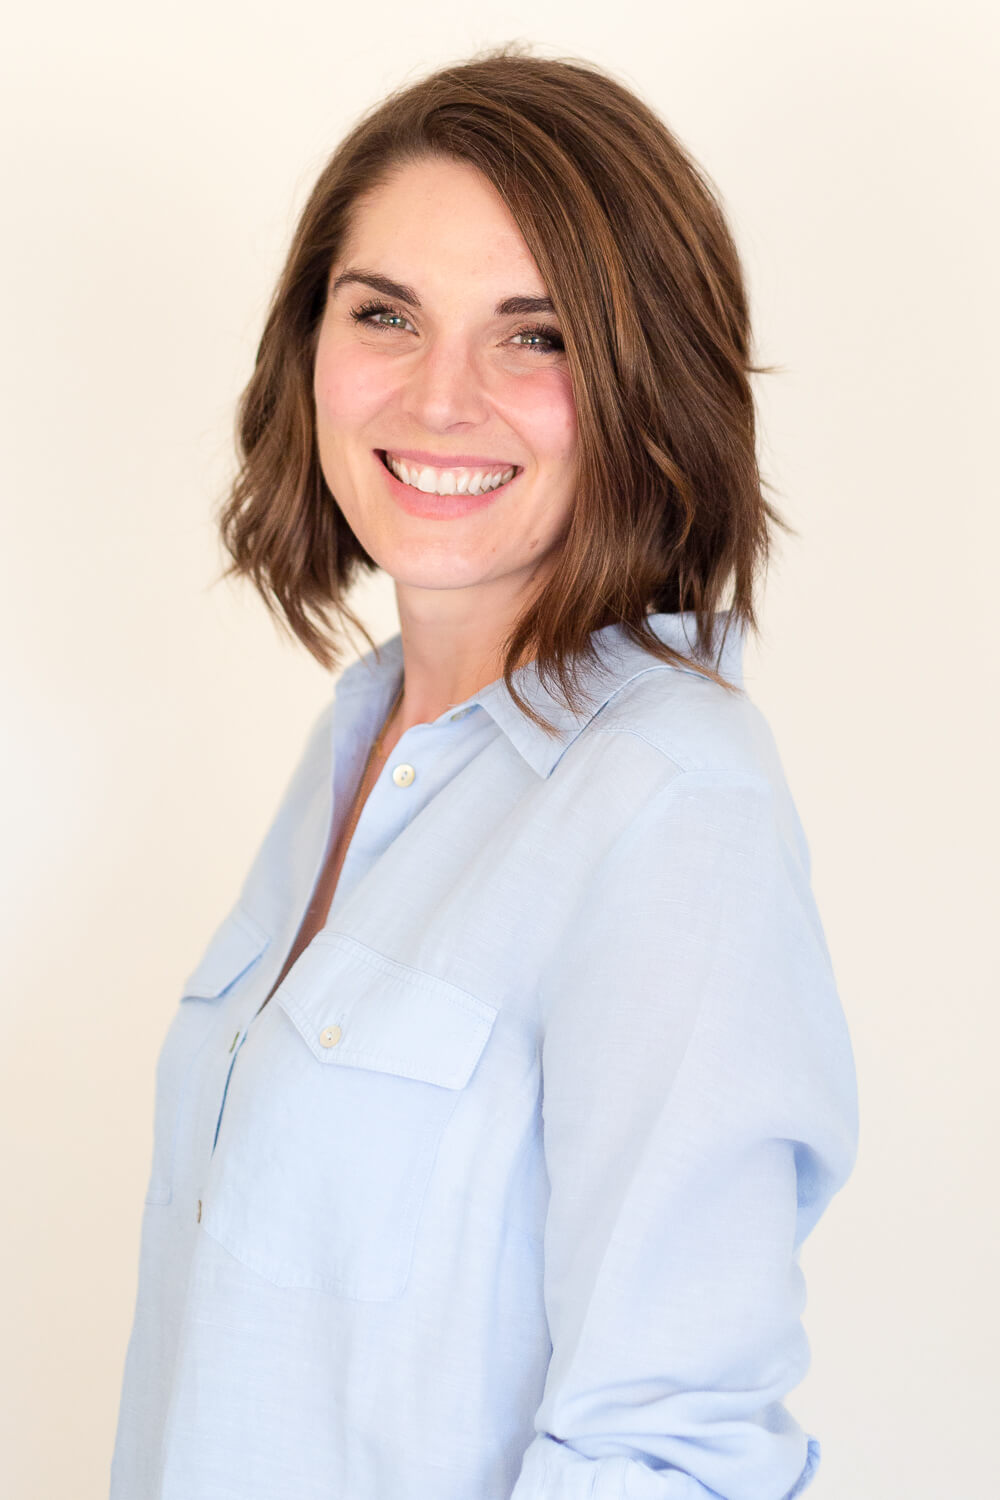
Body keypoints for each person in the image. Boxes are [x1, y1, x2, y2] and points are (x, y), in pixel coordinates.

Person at [109, 45, 858, 1500]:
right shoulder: (362, 741)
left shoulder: (671, 802)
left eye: (537, 336)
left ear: (650, 383)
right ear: (307, 345)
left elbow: (675, 1449)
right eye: (385, 313)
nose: (440, 398)